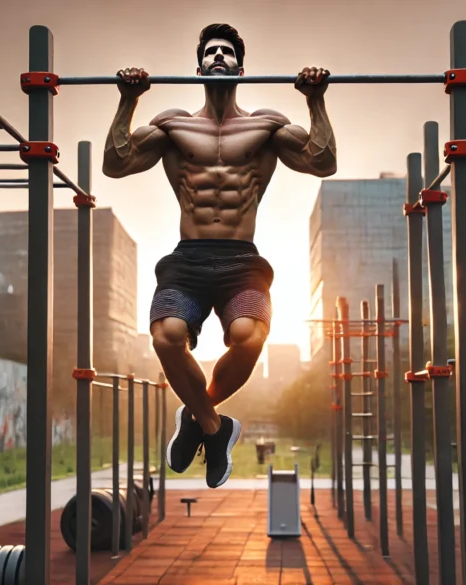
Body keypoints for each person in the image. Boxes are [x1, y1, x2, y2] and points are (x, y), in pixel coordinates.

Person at [101, 23, 337, 488]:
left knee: (249, 335)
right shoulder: (173, 124)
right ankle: (214, 425)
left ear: (240, 67)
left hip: (241, 261)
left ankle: (195, 419)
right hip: (188, 260)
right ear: (199, 67)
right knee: (167, 336)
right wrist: (128, 100)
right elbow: (116, 163)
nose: (218, 56)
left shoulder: (267, 125)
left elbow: (322, 161)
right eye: (210, 52)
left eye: (227, 52)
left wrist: (315, 99)